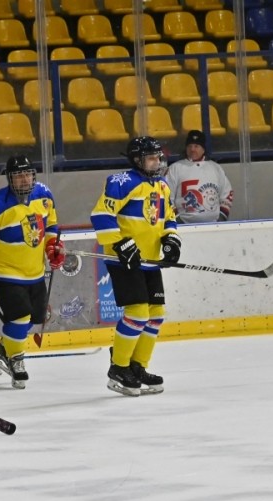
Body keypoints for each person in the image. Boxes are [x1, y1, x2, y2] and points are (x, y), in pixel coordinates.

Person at [90, 136, 180, 396]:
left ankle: (137, 366)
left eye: (158, 157)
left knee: (156, 315)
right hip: (124, 261)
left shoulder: (162, 185)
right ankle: (119, 367)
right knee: (138, 313)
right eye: (151, 158)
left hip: (149, 260)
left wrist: (171, 241)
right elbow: (101, 215)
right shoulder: (121, 182)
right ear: (138, 160)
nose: (157, 162)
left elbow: (168, 218)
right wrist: (121, 244)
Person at [0, 155, 64, 389]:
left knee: (35, 317)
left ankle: (2, 349)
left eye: (27, 174)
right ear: (9, 178)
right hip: (5, 272)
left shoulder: (44, 194)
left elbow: (51, 225)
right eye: (18, 175)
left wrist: (52, 246)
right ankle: (16, 360)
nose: (24, 179)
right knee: (19, 318)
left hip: (35, 271)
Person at [165, 130, 234, 224]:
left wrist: (221, 217)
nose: (192, 149)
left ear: (203, 149)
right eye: (190, 146)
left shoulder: (216, 168)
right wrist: (176, 219)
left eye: (196, 146)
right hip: (183, 226)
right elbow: (166, 196)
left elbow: (227, 194)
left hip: (214, 226)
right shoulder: (174, 168)